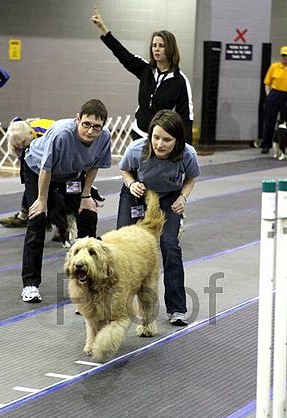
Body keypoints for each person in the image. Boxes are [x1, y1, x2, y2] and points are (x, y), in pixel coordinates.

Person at [21, 99, 111, 303]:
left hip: (71, 174)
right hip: (37, 169)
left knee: (88, 215)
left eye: (96, 127)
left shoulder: (104, 138)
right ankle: (31, 284)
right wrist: (42, 200)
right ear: (77, 119)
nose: (90, 131)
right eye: (86, 124)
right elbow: (46, 168)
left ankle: (88, 283)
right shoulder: (62, 134)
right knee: (37, 220)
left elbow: (95, 165)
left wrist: (86, 195)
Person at [117, 110, 200, 326]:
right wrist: (132, 184)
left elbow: (190, 179)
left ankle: (177, 309)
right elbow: (125, 170)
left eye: (167, 140)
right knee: (121, 245)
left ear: (177, 141)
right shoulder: (137, 149)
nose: (160, 144)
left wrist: (183, 197)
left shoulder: (188, 155)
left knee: (169, 244)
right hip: (137, 192)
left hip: (169, 197)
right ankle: (110, 301)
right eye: (155, 137)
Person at [91, 7, 194, 144]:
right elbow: (123, 54)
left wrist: (186, 150)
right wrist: (103, 29)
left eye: (161, 46)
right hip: (138, 133)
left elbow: (186, 117)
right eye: (154, 45)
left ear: (170, 49)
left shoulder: (180, 81)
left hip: (160, 138)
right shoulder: (145, 69)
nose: (156, 49)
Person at [260, 46, 287, 154]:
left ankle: (283, 146)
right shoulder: (274, 67)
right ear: (281, 56)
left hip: (286, 95)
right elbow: (267, 82)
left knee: (285, 122)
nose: (285, 58)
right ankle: (266, 144)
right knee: (270, 120)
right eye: (284, 56)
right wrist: (268, 96)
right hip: (274, 93)